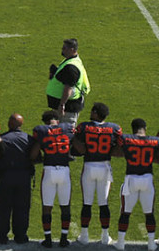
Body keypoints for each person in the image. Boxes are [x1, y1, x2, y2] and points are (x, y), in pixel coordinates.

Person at [73, 102, 122, 245]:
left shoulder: (84, 127)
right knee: (103, 203)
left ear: (95, 113)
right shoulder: (114, 128)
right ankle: (105, 236)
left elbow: (79, 147)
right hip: (105, 167)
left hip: (89, 166)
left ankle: (84, 236)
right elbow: (120, 147)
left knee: (87, 203)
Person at [32, 110, 77, 247]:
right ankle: (64, 239)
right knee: (65, 206)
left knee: (47, 207)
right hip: (64, 170)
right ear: (57, 120)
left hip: (49, 170)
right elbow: (77, 147)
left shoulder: (41, 130)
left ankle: (48, 239)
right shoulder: (67, 128)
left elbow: (33, 155)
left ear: (45, 122)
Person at [115, 117, 158, 251]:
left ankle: (121, 243)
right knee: (149, 213)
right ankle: (151, 244)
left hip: (131, 179)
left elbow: (116, 142)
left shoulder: (125, 139)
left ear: (133, 129)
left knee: (125, 212)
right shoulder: (154, 141)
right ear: (145, 128)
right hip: (147, 179)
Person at [0, 113, 34, 244]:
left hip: (5, 177)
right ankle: (21, 236)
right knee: (22, 208)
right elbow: (35, 157)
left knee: (3, 208)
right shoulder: (29, 139)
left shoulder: (2, 138)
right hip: (24, 177)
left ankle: (1, 235)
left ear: (10, 124)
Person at [48, 38, 90, 125]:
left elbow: (68, 88)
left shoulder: (71, 67)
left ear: (71, 50)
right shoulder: (71, 60)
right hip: (66, 106)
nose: (62, 50)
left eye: (64, 48)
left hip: (67, 109)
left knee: (65, 132)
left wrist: (62, 105)